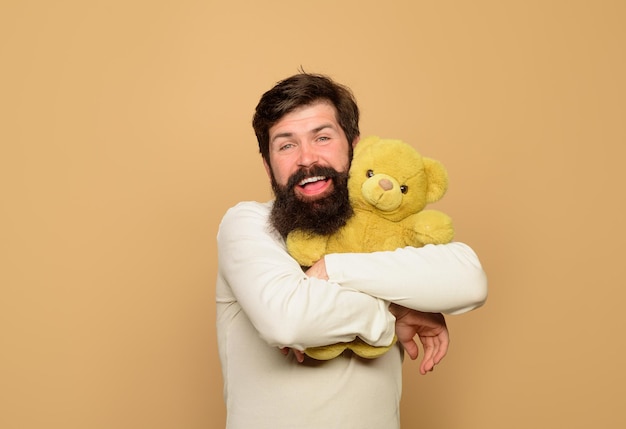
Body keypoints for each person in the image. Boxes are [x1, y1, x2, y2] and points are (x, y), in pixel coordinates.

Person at [216, 72, 488, 429]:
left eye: (322, 137)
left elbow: (470, 280)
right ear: (268, 166)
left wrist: (334, 268)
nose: (307, 159)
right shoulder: (249, 224)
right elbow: (289, 320)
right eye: (286, 145)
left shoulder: (389, 228)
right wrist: (397, 309)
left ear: (354, 148)